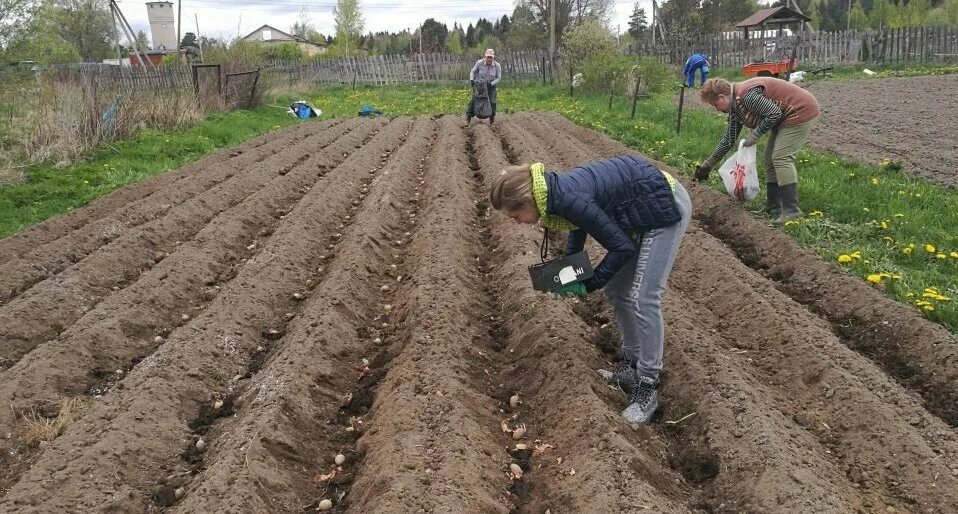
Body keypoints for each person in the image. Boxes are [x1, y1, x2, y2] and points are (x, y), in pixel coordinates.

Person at [489, 155, 692, 424]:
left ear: (527, 201)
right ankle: (631, 366)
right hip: (637, 205)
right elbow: (578, 225)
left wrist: (589, 283)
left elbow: (622, 248)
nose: (517, 222)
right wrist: (569, 271)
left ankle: (648, 383)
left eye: (515, 216)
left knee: (644, 297)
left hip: (663, 205)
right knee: (618, 290)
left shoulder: (565, 197)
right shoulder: (552, 193)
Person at [695, 77, 820, 223]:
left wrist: (755, 134)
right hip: (784, 116)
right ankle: (774, 206)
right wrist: (708, 164)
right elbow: (730, 138)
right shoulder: (736, 107)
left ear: (721, 97)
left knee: (781, 158)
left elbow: (774, 114)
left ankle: (791, 210)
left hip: (800, 110)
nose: (716, 109)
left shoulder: (747, 97)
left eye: (715, 104)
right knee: (768, 159)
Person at [466, 48, 502, 125]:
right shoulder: (479, 63)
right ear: (485, 56)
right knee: (473, 101)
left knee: (493, 102)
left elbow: (498, 77)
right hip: (480, 86)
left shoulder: (497, 66)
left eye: (491, 57)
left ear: (493, 57)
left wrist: (492, 83)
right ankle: (468, 120)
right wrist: (472, 79)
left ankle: (492, 121)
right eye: (488, 57)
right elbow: (473, 71)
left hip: (491, 86)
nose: (489, 59)